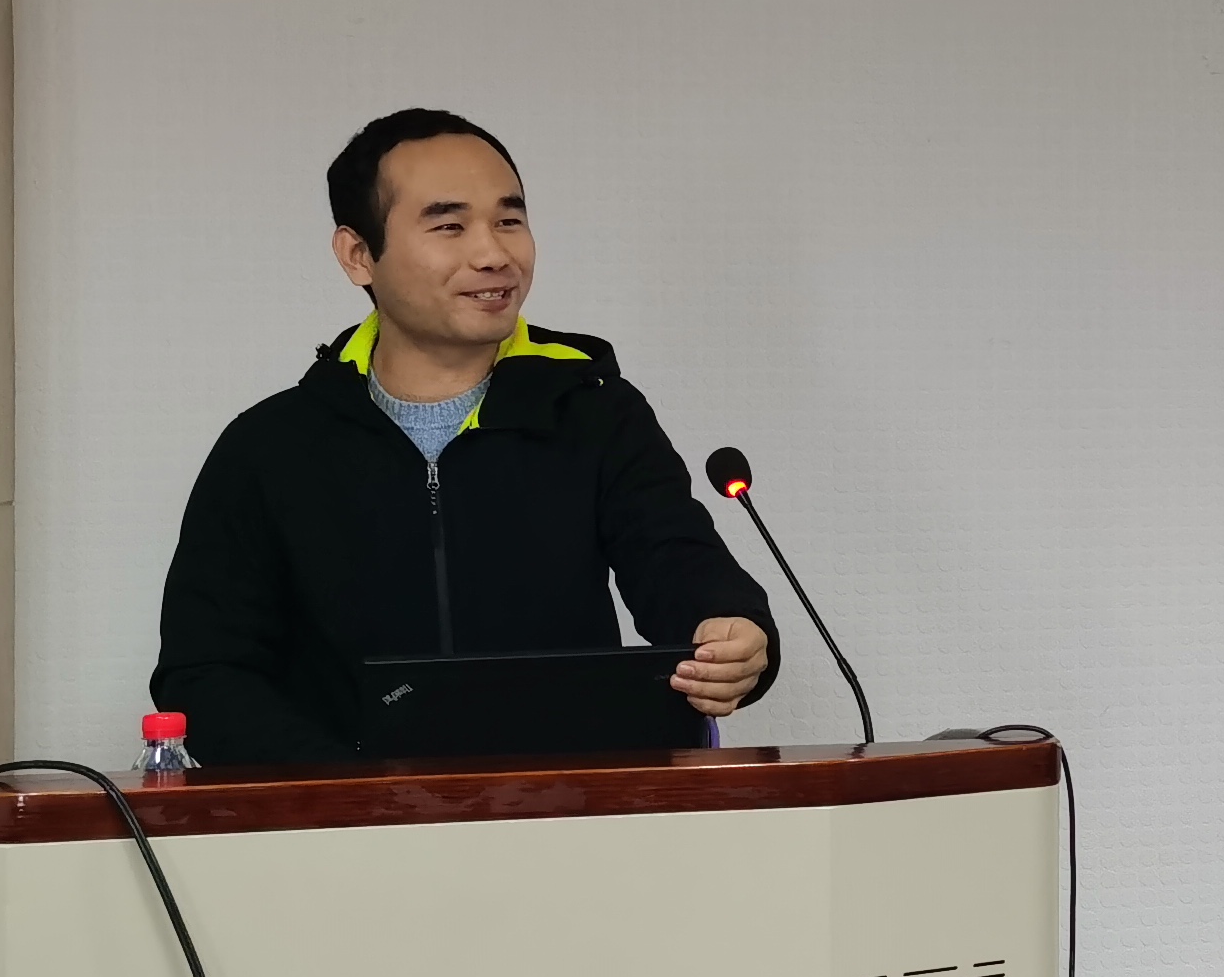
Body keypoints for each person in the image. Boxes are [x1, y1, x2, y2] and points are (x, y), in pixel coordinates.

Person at [153, 108, 778, 765]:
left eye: (509, 221)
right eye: (449, 226)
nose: (494, 255)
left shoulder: (595, 414)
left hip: (567, 806)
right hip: (343, 814)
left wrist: (731, 629)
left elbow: (677, 563)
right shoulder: (270, 447)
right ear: (358, 254)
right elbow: (205, 673)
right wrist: (349, 785)